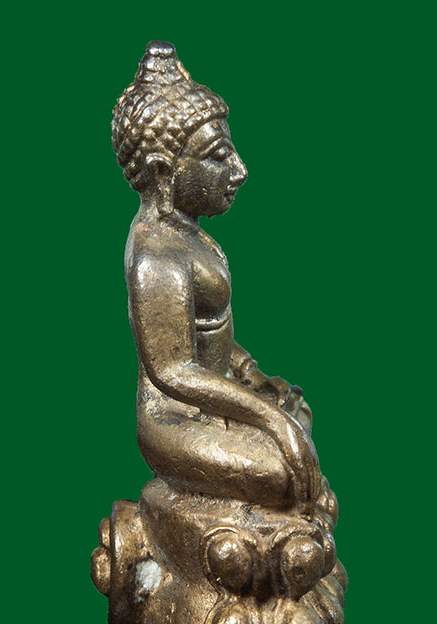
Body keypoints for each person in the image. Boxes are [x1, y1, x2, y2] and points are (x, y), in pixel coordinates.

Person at [112, 42, 321, 509]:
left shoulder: (189, 234)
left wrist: (250, 373)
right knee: (284, 474)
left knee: (298, 416)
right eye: (217, 157)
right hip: (177, 419)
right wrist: (268, 419)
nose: (239, 170)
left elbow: (208, 331)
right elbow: (173, 370)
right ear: (162, 171)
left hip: (216, 392)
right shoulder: (156, 255)